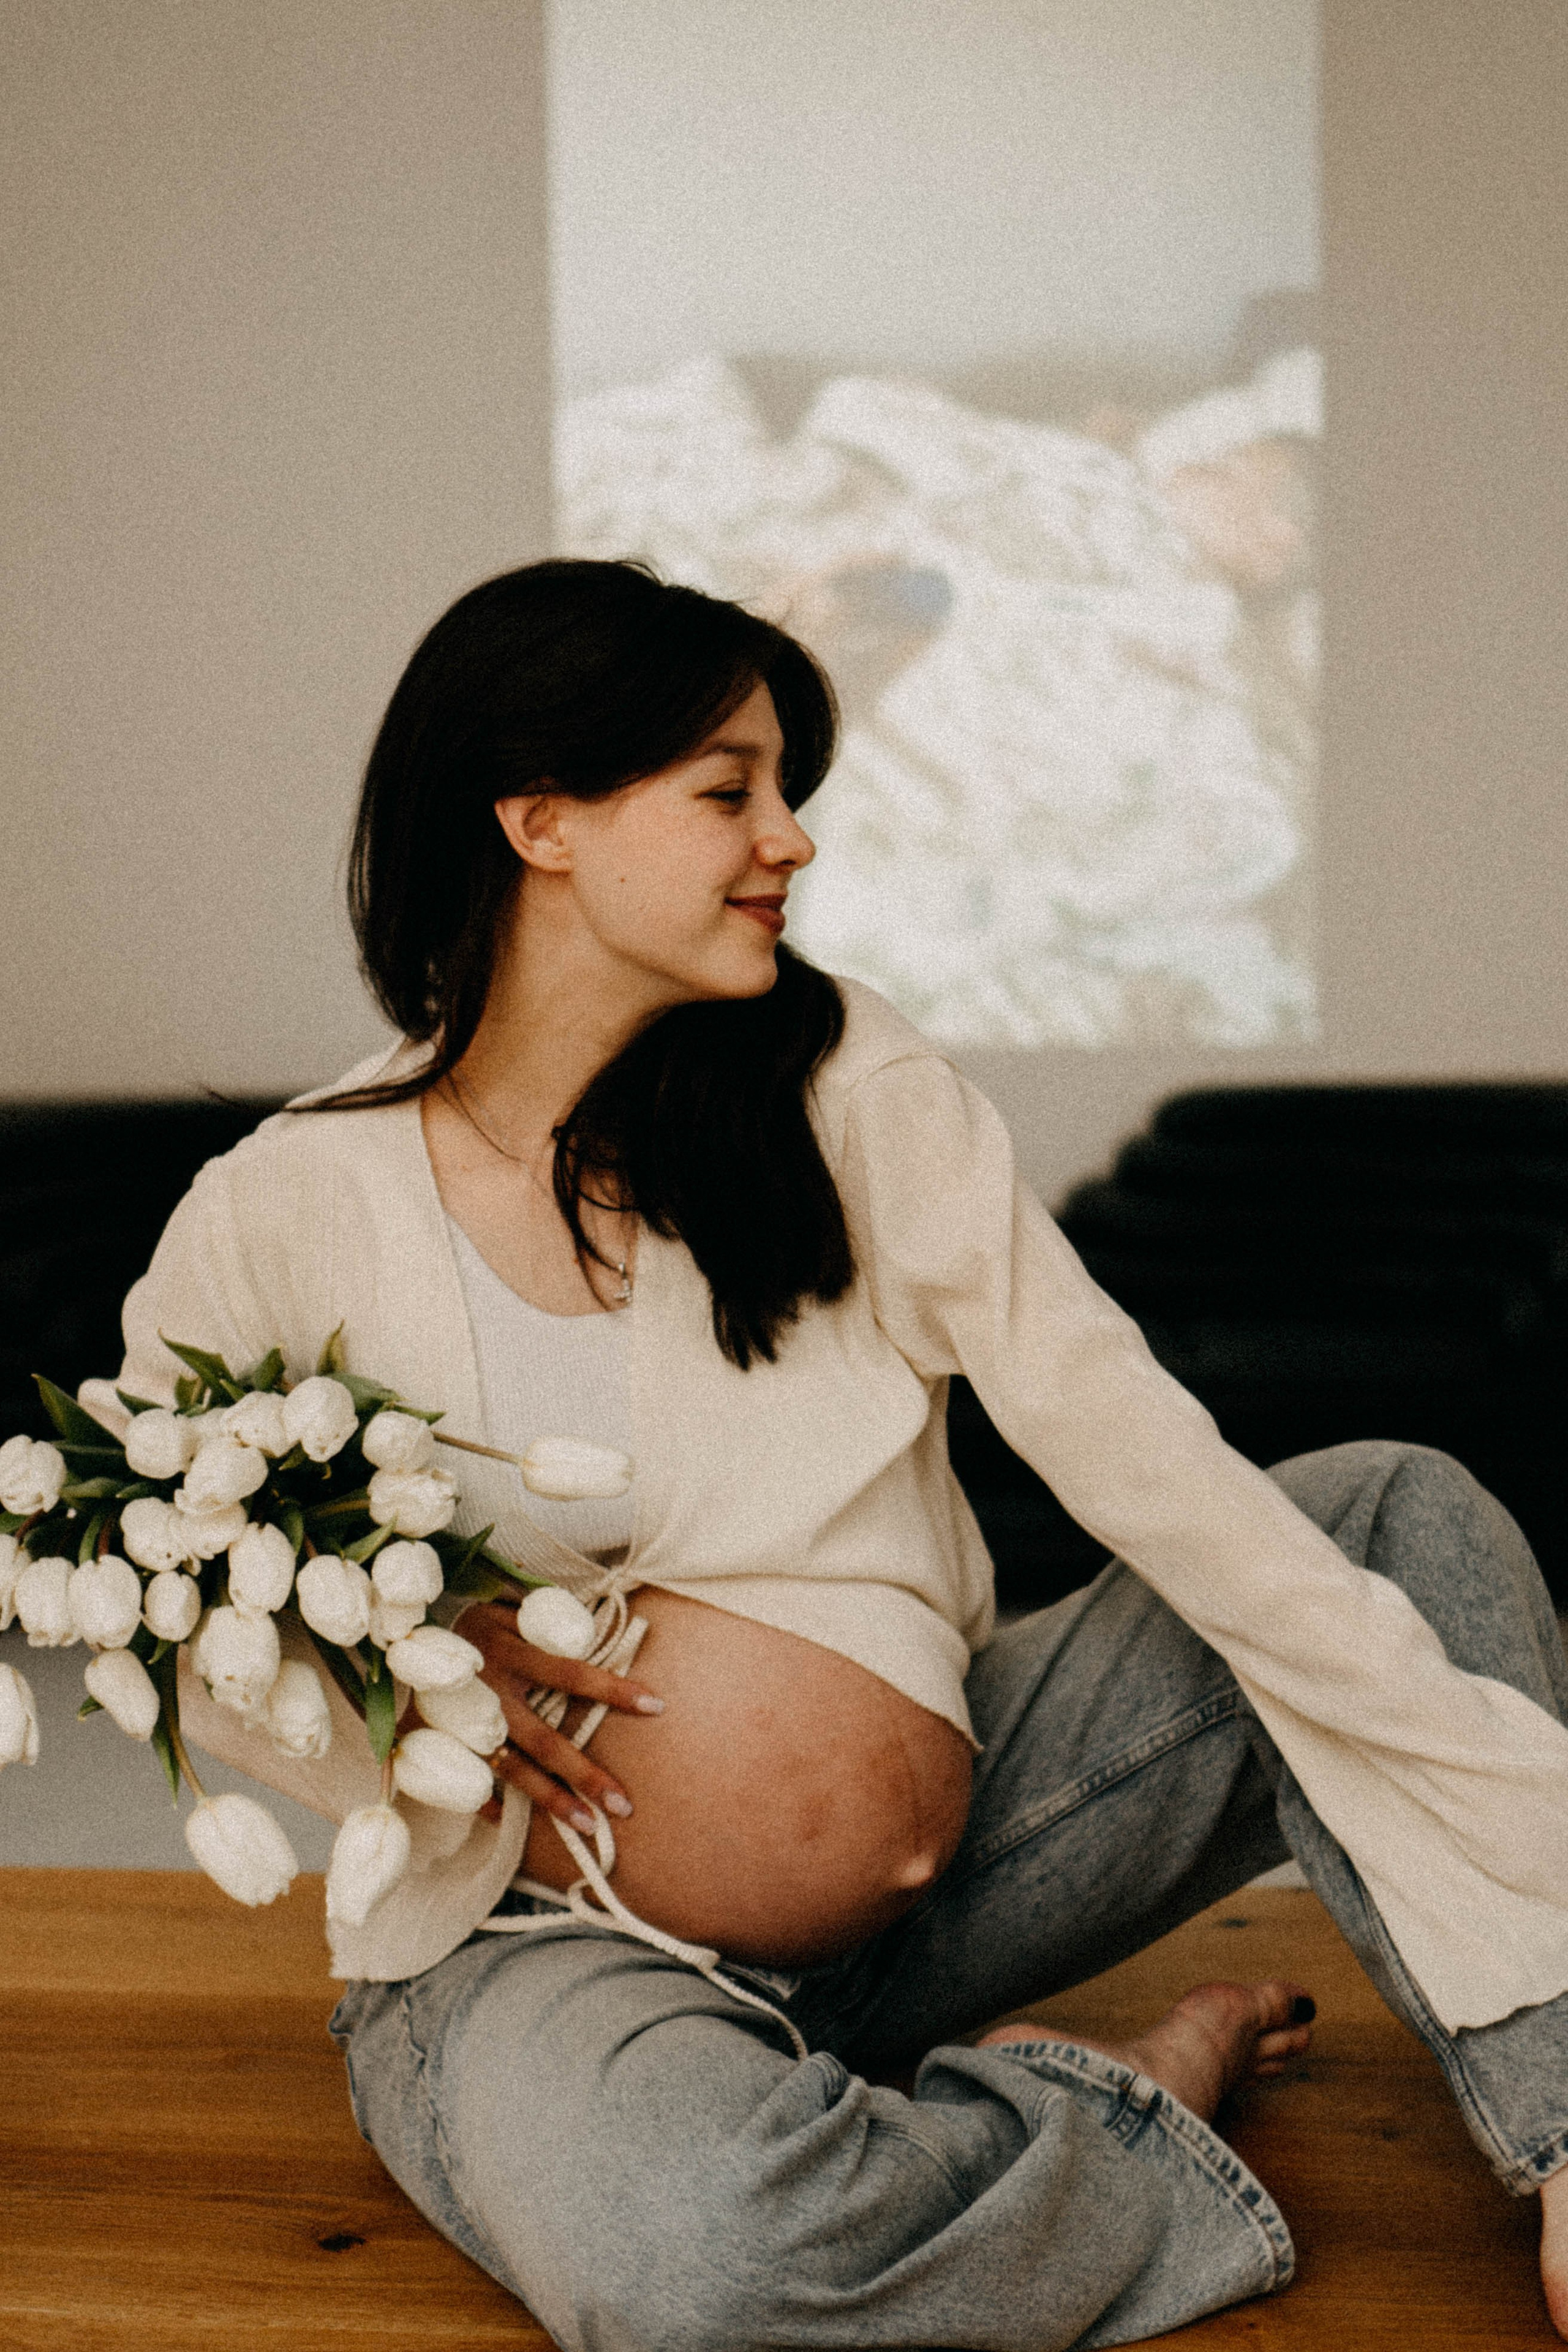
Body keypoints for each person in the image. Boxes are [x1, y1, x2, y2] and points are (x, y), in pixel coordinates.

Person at [117, 559, 1568, 2351]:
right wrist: (404, 1681)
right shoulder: (282, 1210)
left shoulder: (845, 1090)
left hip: (964, 1875)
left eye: (786, 790)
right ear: (539, 817)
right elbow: (174, 1610)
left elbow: (1139, 1453)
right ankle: (1108, 2114)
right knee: (702, 2262)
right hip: (540, 1955)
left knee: (1400, 1513)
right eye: (729, 790)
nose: (789, 840)